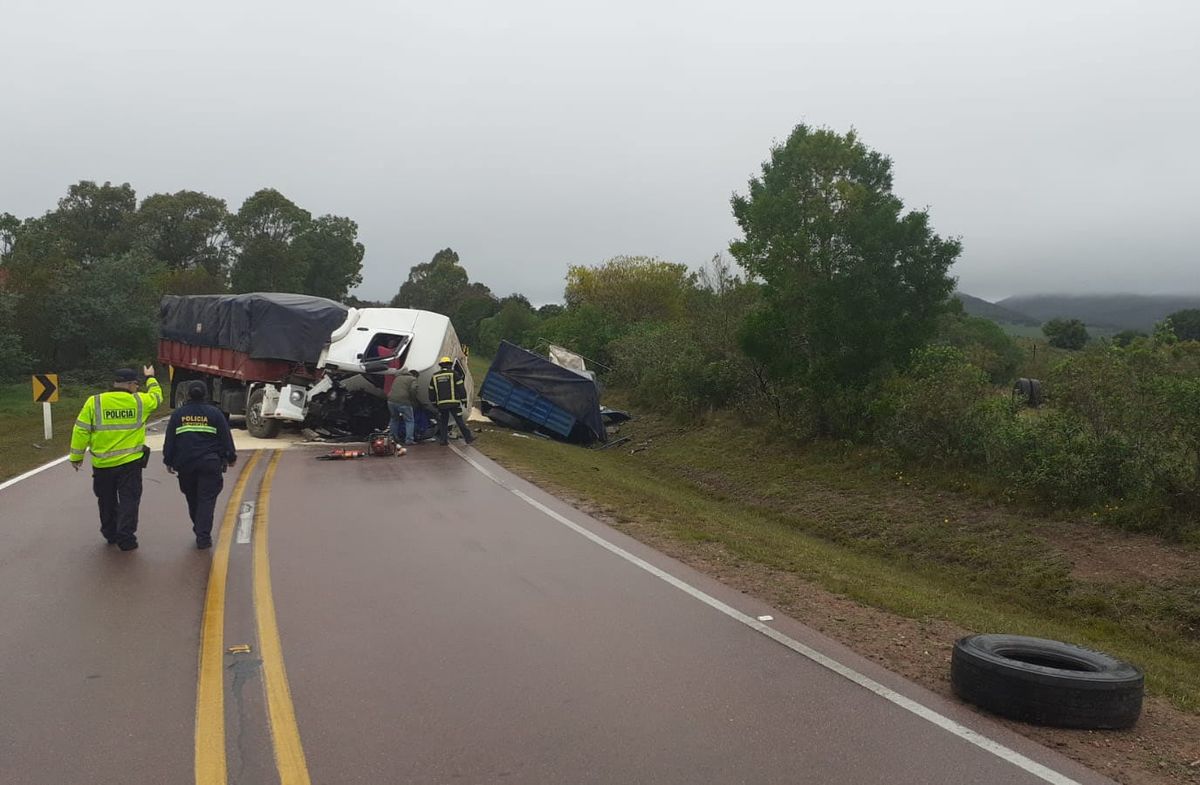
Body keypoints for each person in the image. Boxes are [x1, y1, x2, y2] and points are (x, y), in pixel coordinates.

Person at [69, 365, 163, 551]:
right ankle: (126, 538)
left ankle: (110, 533)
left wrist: (76, 456)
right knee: (129, 499)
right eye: (136, 385)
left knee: (106, 499)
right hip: (130, 463)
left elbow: (81, 430)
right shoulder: (140, 401)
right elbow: (157, 396)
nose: (137, 388)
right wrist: (150, 377)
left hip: (102, 464)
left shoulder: (94, 402)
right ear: (130, 385)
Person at [162, 380, 237, 549]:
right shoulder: (215, 413)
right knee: (206, 500)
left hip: (185, 464)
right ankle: (203, 536)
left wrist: (168, 460)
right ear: (206, 394)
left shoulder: (178, 415)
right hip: (210, 463)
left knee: (193, 499)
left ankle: (199, 529)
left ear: (188, 394)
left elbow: (170, 441)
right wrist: (231, 457)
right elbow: (226, 438)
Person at [429, 356, 475, 446]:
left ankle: (443, 440)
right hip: (454, 403)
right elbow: (461, 388)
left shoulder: (435, 376)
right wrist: (464, 400)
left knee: (443, 423)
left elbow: (431, 391)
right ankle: (468, 438)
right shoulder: (454, 374)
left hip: (441, 405)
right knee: (459, 421)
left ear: (441, 365)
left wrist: (434, 403)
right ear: (449, 365)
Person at [385, 368, 421, 446]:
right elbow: (413, 389)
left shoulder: (398, 377)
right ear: (415, 375)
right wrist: (413, 399)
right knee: (409, 420)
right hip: (404, 401)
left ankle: (392, 438)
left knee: (394, 419)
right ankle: (409, 440)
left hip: (391, 401)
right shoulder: (412, 379)